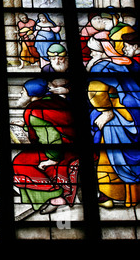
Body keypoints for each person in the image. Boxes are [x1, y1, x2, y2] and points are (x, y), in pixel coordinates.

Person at [86, 35, 140, 208]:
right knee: (109, 158)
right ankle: (116, 195)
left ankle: (115, 195)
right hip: (122, 117)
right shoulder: (120, 66)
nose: (91, 55)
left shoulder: (105, 67)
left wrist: (109, 111)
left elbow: (98, 94)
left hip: (121, 118)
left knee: (111, 158)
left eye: (94, 52)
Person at [12, 78, 78, 214]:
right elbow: (53, 123)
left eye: (23, 92)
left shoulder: (35, 110)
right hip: (73, 143)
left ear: (32, 95)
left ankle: (55, 195)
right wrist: (26, 124)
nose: (20, 93)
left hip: (60, 150)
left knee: (20, 163)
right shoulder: (55, 101)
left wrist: (52, 159)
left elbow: (51, 139)